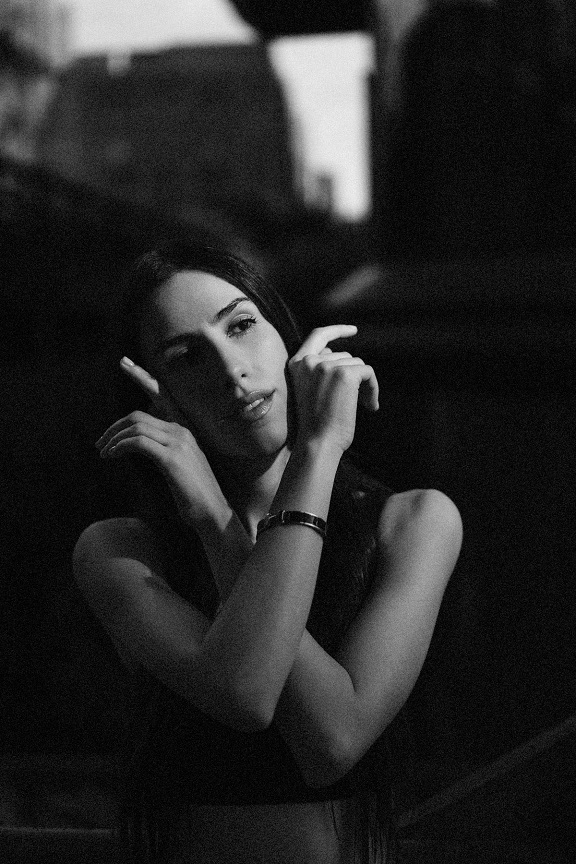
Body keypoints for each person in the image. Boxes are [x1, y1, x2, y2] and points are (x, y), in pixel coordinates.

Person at [73, 240, 462, 864]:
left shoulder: (414, 521)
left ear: (287, 336)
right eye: (187, 356)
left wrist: (313, 455)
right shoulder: (122, 551)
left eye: (241, 326)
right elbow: (245, 691)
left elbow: (332, 743)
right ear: (153, 391)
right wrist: (215, 517)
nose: (232, 372)